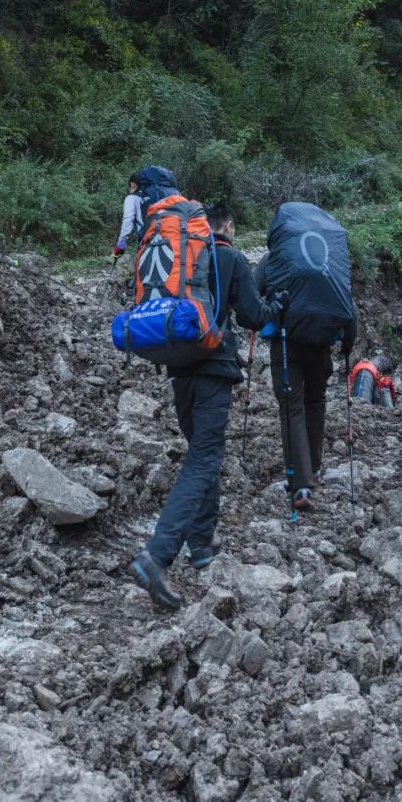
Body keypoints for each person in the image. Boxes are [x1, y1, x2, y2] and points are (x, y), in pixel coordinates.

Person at [131, 201, 286, 610]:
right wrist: (277, 307)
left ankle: (203, 542)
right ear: (229, 226)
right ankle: (157, 556)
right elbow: (254, 317)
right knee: (202, 460)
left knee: (203, 453)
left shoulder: (191, 255)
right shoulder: (230, 256)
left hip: (180, 369)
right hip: (215, 371)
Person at [255, 210, 357, 513]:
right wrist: (347, 347)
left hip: (287, 342)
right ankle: (313, 468)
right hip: (322, 343)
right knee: (316, 401)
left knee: (292, 406)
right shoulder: (332, 259)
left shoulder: (275, 258)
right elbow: (348, 302)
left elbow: (254, 290)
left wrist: (262, 315)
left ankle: (300, 484)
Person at [112, 173, 143, 262]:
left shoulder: (132, 198)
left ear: (132, 184)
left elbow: (127, 224)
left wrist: (119, 250)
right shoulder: (149, 197)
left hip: (146, 238)